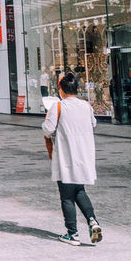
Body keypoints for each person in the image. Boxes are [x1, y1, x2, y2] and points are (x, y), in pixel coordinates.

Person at [42, 72, 102, 246]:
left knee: (67, 196)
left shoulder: (58, 107)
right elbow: (93, 124)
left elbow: (47, 129)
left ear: (61, 89)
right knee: (79, 190)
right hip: (84, 155)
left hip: (66, 157)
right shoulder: (86, 106)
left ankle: (72, 233)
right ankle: (92, 221)